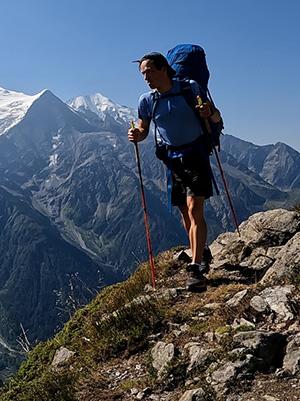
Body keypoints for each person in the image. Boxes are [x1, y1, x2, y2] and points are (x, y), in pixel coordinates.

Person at [128, 52, 218, 291]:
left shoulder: (189, 88)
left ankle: (196, 267)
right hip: (172, 159)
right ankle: (201, 251)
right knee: (183, 212)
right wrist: (137, 134)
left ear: (163, 69)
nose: (146, 78)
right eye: (143, 74)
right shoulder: (146, 100)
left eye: (149, 72)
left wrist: (209, 112)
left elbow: (215, 115)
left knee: (193, 207)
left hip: (196, 154)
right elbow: (144, 127)